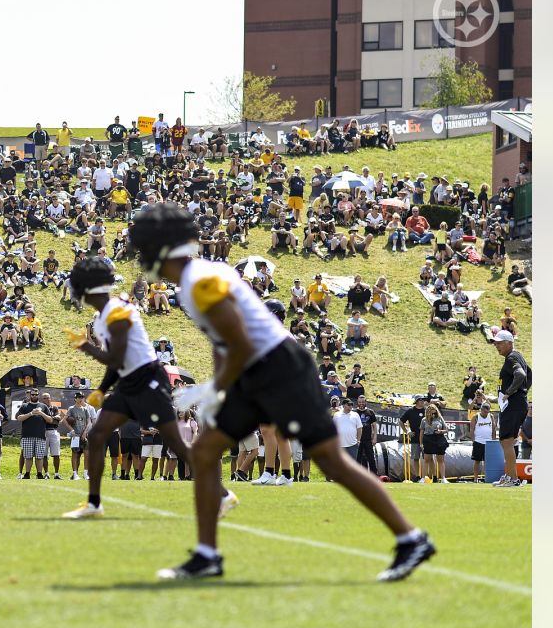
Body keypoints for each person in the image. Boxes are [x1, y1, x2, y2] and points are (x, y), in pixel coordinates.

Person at [127, 204, 434, 581]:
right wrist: (214, 386)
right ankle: (207, 554)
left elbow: (238, 341)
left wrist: (215, 389)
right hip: (256, 368)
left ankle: (411, 537)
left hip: (278, 367)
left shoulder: (199, 282)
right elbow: (223, 342)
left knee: (331, 461)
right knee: (204, 452)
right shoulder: (197, 278)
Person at [60, 258, 232, 518]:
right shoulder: (102, 317)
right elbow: (119, 363)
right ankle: (94, 503)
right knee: (97, 436)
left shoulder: (118, 312)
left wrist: (86, 347)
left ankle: (223, 494)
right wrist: (102, 388)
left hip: (149, 381)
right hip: (130, 381)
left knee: (177, 445)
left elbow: (116, 358)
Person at [493, 330, 531, 487]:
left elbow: (521, 375)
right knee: (506, 442)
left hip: (513, 405)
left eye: (500, 343)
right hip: (517, 404)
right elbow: (530, 374)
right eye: (495, 343)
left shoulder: (512, 357)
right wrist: (523, 392)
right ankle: (509, 476)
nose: (497, 346)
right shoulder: (517, 356)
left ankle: (513, 479)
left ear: (509, 343)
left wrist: (509, 393)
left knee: (506, 442)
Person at [62, 391, 97, 481]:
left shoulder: (85, 409)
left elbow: (89, 421)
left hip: (84, 435)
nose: (80, 399)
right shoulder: (71, 408)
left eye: (81, 397)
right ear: (75, 398)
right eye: (78, 397)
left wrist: (85, 432)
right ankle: (75, 474)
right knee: (75, 454)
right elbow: (64, 420)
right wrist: (71, 430)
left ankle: (85, 474)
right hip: (75, 436)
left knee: (87, 454)